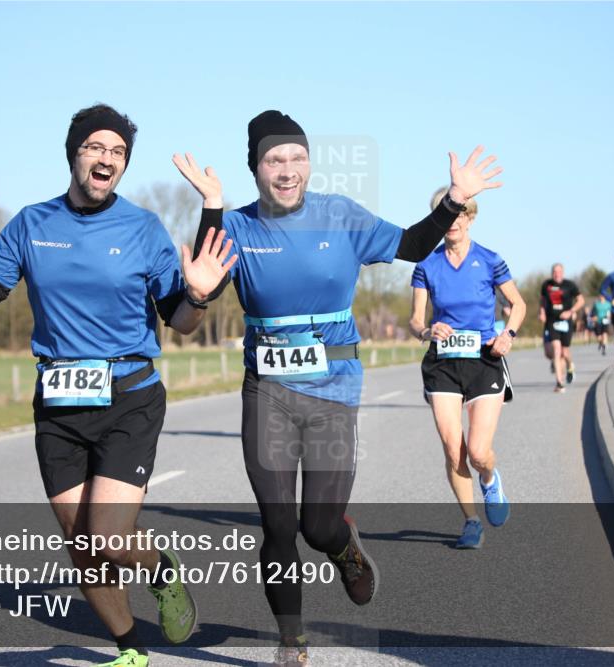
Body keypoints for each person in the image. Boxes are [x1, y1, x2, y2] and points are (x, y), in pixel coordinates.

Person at [173, 111, 503, 666]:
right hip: (267, 391)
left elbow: (412, 243)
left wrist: (453, 200)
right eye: (274, 159)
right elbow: (203, 277)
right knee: (278, 525)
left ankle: (344, 547)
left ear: (309, 163)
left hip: (333, 390)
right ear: (255, 167)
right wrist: (209, 217)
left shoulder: (341, 215)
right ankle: (291, 643)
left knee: (318, 525)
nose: (287, 169)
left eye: (297, 157)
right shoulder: (239, 227)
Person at [0, 104, 238, 667]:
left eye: (118, 152)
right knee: (82, 545)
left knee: (110, 537)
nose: (107, 158)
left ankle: (160, 570)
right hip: (58, 404)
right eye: (96, 147)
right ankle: (130, 649)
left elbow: (182, 321)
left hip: (129, 397)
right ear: (74, 153)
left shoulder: (143, 228)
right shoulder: (31, 224)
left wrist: (198, 295)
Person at [410, 192, 525, 548]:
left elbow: (518, 304)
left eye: (460, 215)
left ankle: (489, 479)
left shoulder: (489, 260)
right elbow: (415, 321)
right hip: (443, 363)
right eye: (447, 216)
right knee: (452, 449)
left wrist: (508, 335)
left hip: (484, 361)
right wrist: (427, 331)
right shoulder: (426, 265)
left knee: (477, 452)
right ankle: (471, 521)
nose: (453, 222)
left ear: (470, 218)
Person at [538, 263, 583, 392]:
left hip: (566, 322)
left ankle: (570, 365)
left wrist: (571, 311)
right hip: (552, 321)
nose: (557, 274)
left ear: (562, 273)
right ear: (552, 273)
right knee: (556, 350)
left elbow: (581, 301)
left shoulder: (570, 285)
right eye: (554, 271)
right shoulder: (546, 285)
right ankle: (559, 382)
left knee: (565, 352)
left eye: (559, 271)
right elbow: (542, 301)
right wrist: (542, 312)